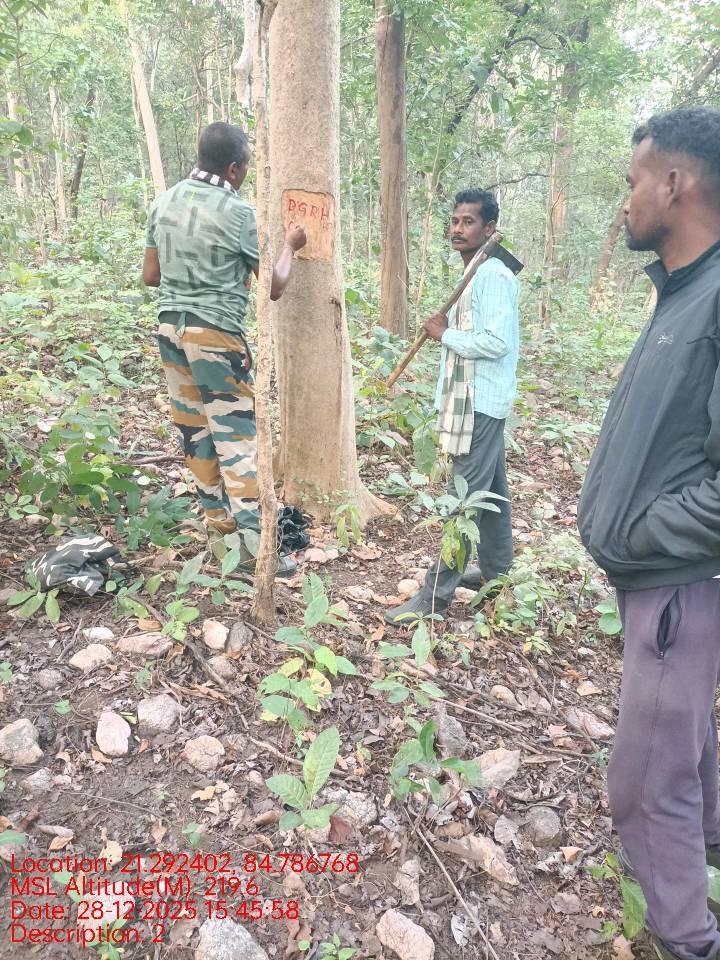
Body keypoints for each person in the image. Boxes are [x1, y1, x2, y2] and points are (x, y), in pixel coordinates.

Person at [577, 106, 720, 960]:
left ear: (674, 183)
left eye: (633, 181)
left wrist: (639, 530)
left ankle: (686, 939)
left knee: (643, 783)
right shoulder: (686, 292)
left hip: (678, 584)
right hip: (661, 583)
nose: (625, 200)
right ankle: (704, 859)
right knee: (687, 748)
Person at [142, 122, 306, 576]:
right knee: (236, 441)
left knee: (195, 434)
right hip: (216, 336)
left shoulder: (164, 202)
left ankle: (220, 537)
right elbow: (272, 285)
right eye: (246, 167)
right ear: (234, 169)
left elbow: (151, 276)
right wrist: (290, 247)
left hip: (171, 331)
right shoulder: (239, 214)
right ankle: (254, 549)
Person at [385, 188, 520, 625]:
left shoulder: (493, 275)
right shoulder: (475, 272)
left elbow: (496, 343)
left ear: (489, 228)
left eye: (469, 222)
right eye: (455, 221)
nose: (458, 229)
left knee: (462, 501)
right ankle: (497, 573)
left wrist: (445, 334)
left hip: (480, 404)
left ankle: (434, 597)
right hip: (474, 402)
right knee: (491, 491)